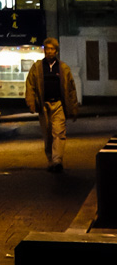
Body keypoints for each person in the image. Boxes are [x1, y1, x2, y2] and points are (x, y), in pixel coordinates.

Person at [24, 37, 79, 172]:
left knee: (59, 133)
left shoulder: (63, 68)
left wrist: (73, 108)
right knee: (48, 134)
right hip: (44, 105)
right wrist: (31, 102)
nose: (49, 51)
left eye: (52, 49)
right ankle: (51, 159)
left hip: (59, 104)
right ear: (44, 50)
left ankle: (57, 160)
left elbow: (71, 89)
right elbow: (30, 85)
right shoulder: (37, 68)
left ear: (56, 51)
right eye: (47, 49)